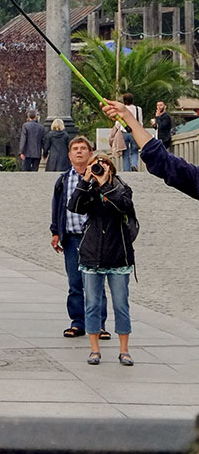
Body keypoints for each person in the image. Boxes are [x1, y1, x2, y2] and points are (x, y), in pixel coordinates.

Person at [69, 152, 137, 366]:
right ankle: (94, 349)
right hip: (92, 254)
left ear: (111, 167)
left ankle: (124, 350)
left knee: (120, 304)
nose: (100, 168)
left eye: (104, 164)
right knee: (92, 304)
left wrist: (105, 184)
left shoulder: (121, 187)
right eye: (95, 165)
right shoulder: (88, 189)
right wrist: (86, 181)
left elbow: (124, 206)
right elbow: (74, 206)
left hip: (118, 254)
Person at [49, 133, 107, 340]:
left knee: (96, 283)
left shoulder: (99, 177)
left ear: (90, 153)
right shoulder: (64, 179)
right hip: (71, 237)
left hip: (94, 237)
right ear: (69, 155)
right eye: (75, 149)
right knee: (75, 282)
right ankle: (77, 322)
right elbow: (57, 206)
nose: (79, 152)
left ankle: (99, 323)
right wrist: (56, 231)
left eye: (83, 148)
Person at [103, 97, 199, 201]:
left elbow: (168, 165)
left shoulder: (166, 116)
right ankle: (132, 167)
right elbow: (166, 163)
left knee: (129, 153)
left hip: (163, 139)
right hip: (150, 139)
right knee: (132, 153)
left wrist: (128, 117)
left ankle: (130, 168)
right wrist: (128, 117)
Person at [120, 92, 143, 171]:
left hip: (124, 132)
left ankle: (126, 169)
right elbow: (140, 122)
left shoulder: (122, 109)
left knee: (125, 153)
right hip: (134, 132)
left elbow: (118, 122)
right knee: (134, 151)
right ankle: (134, 164)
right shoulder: (138, 109)